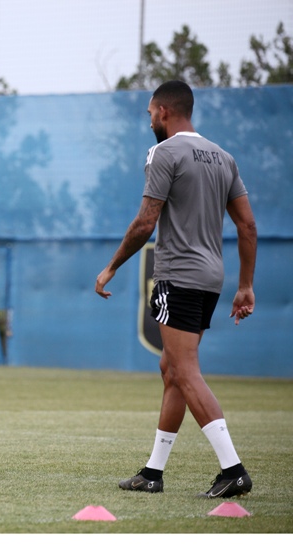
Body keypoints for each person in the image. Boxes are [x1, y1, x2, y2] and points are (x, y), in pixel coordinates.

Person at [95, 80, 257, 498]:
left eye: (150, 113)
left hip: (178, 276)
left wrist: (111, 267)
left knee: (184, 371)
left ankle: (233, 469)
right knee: (171, 370)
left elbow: (146, 221)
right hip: (211, 279)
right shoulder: (224, 157)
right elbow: (247, 225)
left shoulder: (163, 152)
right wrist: (245, 285)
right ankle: (152, 473)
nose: (149, 120)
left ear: (163, 112)